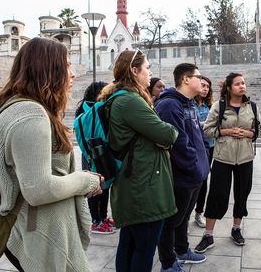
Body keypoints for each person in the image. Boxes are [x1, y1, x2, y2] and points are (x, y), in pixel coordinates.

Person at [0, 37, 103, 272]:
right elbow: (38, 189)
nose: (73, 74)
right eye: (67, 65)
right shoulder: (31, 115)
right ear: (48, 69)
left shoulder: (16, 107)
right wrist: (85, 180)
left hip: (39, 229)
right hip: (44, 235)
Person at [97, 49, 178, 272]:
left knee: (129, 245)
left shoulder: (119, 98)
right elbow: (168, 134)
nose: (150, 73)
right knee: (143, 249)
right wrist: (164, 135)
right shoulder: (130, 101)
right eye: (147, 68)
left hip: (133, 183)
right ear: (134, 70)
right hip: (144, 187)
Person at [194, 72, 259, 254]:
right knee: (217, 195)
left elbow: (256, 132)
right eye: (237, 84)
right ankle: (208, 235)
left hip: (245, 158)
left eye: (243, 83)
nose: (242, 86)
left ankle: (236, 229)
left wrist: (247, 134)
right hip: (223, 158)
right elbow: (207, 129)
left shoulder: (252, 106)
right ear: (229, 88)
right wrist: (227, 131)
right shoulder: (219, 106)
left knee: (242, 193)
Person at [155, 63, 209, 272]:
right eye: (198, 76)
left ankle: (182, 250)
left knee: (183, 218)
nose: (201, 80)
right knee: (171, 220)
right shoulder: (169, 105)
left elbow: (196, 137)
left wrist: (202, 166)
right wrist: (195, 167)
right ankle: (167, 263)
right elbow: (177, 144)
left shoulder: (189, 103)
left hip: (195, 175)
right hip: (182, 176)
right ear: (186, 79)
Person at [75, 81, 116, 234]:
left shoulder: (100, 107)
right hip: (91, 155)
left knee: (105, 186)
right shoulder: (86, 109)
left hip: (101, 152)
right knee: (95, 187)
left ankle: (103, 217)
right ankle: (95, 221)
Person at [193, 76, 215, 228]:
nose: (206, 88)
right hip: (194, 147)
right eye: (203, 85)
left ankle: (199, 213)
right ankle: (185, 216)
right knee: (193, 181)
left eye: (208, 86)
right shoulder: (189, 104)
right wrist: (206, 125)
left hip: (210, 145)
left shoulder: (210, 106)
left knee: (204, 180)